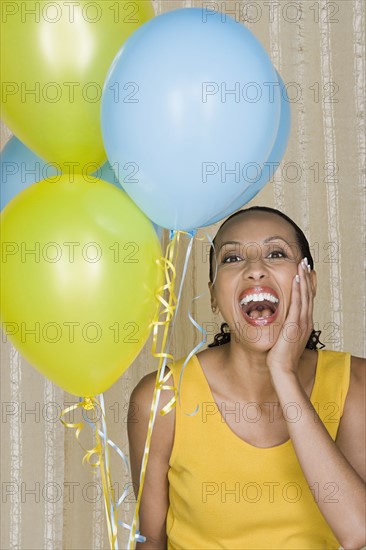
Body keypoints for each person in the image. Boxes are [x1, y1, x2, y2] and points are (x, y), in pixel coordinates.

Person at [128, 206, 366, 550]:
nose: (255, 269)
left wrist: (283, 372)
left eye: (276, 253)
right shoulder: (161, 398)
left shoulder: (355, 384)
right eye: (232, 258)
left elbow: (357, 530)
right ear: (212, 295)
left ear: (309, 283)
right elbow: (150, 541)